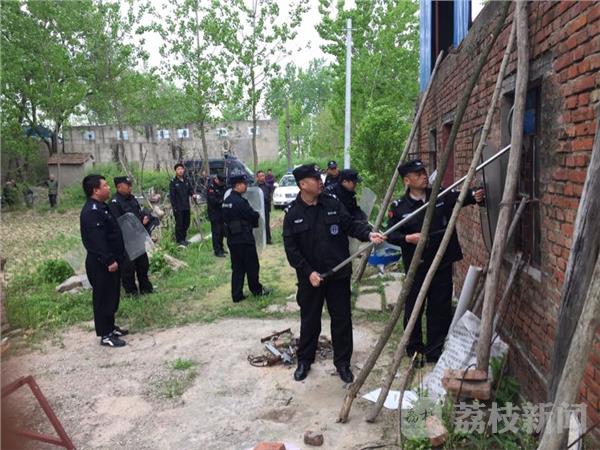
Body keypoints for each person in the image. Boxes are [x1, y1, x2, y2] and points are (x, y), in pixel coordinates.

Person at [283, 163, 386, 383]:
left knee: (341, 320)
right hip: (311, 279)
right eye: (315, 179)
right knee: (310, 320)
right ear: (303, 184)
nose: (320, 182)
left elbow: (351, 225)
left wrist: (368, 234)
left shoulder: (332, 203)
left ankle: (342, 363)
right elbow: (292, 250)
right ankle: (304, 361)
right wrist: (308, 272)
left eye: (319, 178)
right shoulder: (292, 214)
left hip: (338, 274)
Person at [386, 159, 485, 362]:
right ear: (407, 181)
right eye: (418, 174)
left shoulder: (439, 196)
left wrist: (475, 195)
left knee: (439, 306)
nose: (424, 176)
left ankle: (435, 350)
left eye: (424, 172)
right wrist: (408, 238)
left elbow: (461, 197)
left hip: (442, 262)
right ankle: (414, 349)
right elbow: (391, 234)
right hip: (417, 265)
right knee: (414, 306)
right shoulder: (400, 207)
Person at [80, 174, 128, 347]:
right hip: (101, 264)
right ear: (96, 190)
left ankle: (110, 327)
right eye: (105, 185)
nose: (109, 188)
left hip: (112, 260)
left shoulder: (102, 207)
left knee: (112, 296)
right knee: (103, 298)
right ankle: (105, 335)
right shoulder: (91, 212)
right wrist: (109, 260)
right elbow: (96, 241)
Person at [222, 172, 272, 303]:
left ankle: (236, 294)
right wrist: (257, 215)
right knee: (252, 266)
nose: (246, 187)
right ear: (237, 185)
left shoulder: (226, 201)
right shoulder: (240, 201)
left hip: (232, 239)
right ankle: (256, 290)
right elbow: (251, 215)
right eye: (244, 184)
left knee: (237, 268)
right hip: (244, 239)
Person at [109, 176, 153, 296]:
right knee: (128, 268)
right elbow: (119, 223)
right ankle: (131, 292)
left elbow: (137, 213)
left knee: (143, 264)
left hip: (138, 237)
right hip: (126, 240)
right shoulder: (115, 202)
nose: (130, 187)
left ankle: (146, 288)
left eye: (130, 185)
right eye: (127, 185)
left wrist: (144, 218)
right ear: (119, 187)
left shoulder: (132, 199)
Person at [169, 163, 195, 245]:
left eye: (181, 169)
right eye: (178, 169)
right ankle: (179, 240)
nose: (180, 171)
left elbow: (190, 190)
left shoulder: (186, 180)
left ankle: (184, 239)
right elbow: (172, 197)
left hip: (186, 206)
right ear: (176, 171)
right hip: (178, 208)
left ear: (183, 170)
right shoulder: (173, 182)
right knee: (179, 224)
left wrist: (193, 195)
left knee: (187, 223)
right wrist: (174, 208)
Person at [206, 174, 227, 257]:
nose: (221, 183)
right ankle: (217, 251)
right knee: (216, 232)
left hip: (222, 212)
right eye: (220, 181)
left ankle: (221, 248)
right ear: (216, 179)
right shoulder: (211, 187)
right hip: (214, 213)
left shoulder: (222, 186)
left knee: (222, 231)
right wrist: (222, 201)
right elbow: (213, 201)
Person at [256, 170, 273, 244]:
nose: (262, 177)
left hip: (265, 207)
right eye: (260, 176)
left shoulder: (267, 186)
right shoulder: (255, 186)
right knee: (258, 223)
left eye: (263, 176)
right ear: (257, 177)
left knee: (266, 223)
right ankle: (258, 239)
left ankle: (268, 239)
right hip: (257, 207)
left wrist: (269, 208)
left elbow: (269, 197)